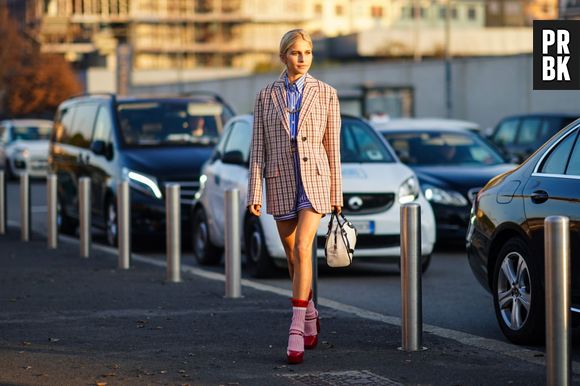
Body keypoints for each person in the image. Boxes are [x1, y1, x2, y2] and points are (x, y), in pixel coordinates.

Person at [246, 29, 342, 365]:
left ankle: (296, 329)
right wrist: (254, 191)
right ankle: (311, 311)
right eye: (295, 52)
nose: (302, 58)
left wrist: (336, 193)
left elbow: (333, 148)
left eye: (308, 52)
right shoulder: (264, 96)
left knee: (303, 248)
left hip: (315, 182)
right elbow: (258, 147)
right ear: (284, 55)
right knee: (291, 255)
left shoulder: (327, 94)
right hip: (280, 181)